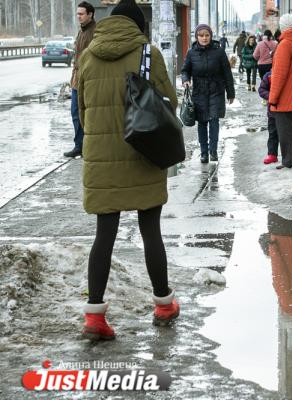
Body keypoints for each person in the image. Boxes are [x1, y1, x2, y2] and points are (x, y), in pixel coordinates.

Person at [77, 0, 180, 341]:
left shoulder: (88, 56)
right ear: (138, 25)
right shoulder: (148, 53)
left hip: (102, 160)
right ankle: (164, 305)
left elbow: (82, 111)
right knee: (151, 230)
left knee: (103, 235)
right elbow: (169, 103)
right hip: (143, 155)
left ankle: (94, 317)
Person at [182, 24, 235, 164]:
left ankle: (213, 151)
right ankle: (204, 153)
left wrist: (231, 93)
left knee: (214, 120)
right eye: (201, 35)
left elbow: (227, 73)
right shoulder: (191, 52)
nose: (204, 38)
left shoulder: (219, 51)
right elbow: (185, 70)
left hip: (216, 90)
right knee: (202, 122)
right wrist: (186, 80)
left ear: (210, 36)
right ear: (197, 37)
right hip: (199, 92)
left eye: (207, 35)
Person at [269, 14, 292, 169]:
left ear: (283, 27)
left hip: (285, 95)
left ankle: (288, 161)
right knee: (290, 129)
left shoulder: (285, 45)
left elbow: (279, 75)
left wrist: (273, 97)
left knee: (285, 130)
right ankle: (291, 159)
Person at [63, 1, 96, 159]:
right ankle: (79, 145)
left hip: (87, 81)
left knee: (85, 114)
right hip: (77, 80)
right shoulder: (81, 31)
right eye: (77, 14)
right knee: (76, 113)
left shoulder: (93, 32)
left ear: (90, 14)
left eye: (81, 14)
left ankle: (84, 146)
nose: (79, 17)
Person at [258, 70, 279, 164]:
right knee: (273, 133)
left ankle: (289, 156)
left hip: (286, 109)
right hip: (272, 111)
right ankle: (272, 154)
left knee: (286, 135)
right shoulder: (269, 75)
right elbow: (261, 89)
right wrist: (271, 96)